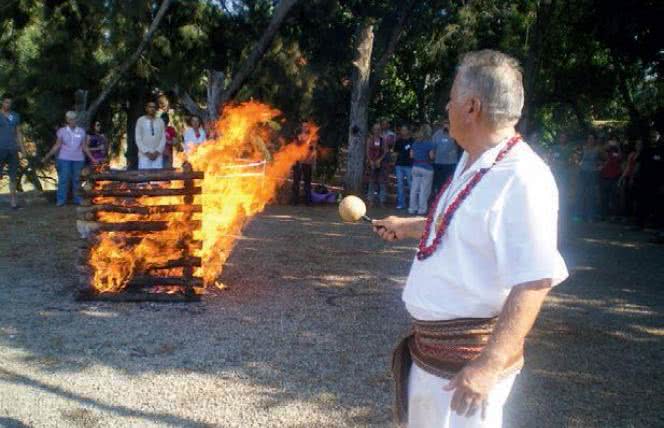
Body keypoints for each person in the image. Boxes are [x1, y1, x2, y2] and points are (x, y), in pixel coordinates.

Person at [373, 50, 568, 428]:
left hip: (466, 371)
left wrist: (489, 365)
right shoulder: (474, 160)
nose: (447, 107)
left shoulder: (523, 177)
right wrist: (408, 225)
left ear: (472, 107)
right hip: (430, 359)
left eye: (451, 99)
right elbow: (457, 223)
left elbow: (535, 279)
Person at [43, 111, 95, 206]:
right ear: (67, 120)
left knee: (77, 180)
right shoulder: (62, 131)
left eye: (74, 119)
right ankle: (61, 201)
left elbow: (84, 147)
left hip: (78, 159)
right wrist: (47, 156)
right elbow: (57, 145)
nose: (73, 121)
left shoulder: (81, 131)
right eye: (70, 119)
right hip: (64, 158)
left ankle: (78, 199)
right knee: (64, 179)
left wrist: (92, 158)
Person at [0, 94, 26, 209]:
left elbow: (19, 133)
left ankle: (13, 202)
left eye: (9, 103)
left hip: (13, 149)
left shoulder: (15, 116)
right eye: (6, 102)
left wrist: (23, 149)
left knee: (13, 176)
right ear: (2, 102)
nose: (7, 105)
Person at [548, 132, 575, 225]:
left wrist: (567, 163)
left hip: (564, 173)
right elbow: (550, 158)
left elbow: (572, 160)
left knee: (563, 193)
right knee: (553, 191)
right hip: (555, 172)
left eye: (564, 137)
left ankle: (563, 213)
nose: (562, 139)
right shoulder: (554, 147)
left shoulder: (569, 149)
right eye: (561, 137)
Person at [574, 132, 601, 222]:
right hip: (583, 172)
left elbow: (605, 159)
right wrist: (578, 165)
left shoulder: (598, 149)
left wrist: (599, 167)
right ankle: (579, 215)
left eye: (592, 139)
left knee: (591, 195)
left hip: (593, 173)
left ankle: (590, 216)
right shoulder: (583, 148)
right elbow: (576, 157)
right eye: (589, 138)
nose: (590, 140)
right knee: (581, 194)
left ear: (594, 140)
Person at [409, 124, 435, 215]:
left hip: (415, 166)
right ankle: (422, 209)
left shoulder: (415, 143)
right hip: (426, 167)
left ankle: (412, 208)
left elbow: (411, 156)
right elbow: (431, 156)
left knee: (414, 189)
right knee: (424, 190)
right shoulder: (429, 143)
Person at [135, 100, 166, 169]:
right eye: (150, 107)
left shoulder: (160, 121)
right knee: (144, 178)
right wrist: (147, 152)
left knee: (157, 178)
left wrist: (157, 152)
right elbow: (138, 139)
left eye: (154, 107)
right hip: (144, 156)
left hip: (158, 156)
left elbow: (163, 138)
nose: (152, 109)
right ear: (146, 108)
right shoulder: (140, 121)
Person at [291, 123, 317, 205]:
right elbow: (294, 148)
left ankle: (308, 200)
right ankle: (295, 200)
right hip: (298, 162)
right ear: (301, 127)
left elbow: (313, 150)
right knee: (296, 182)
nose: (305, 127)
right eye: (304, 126)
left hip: (307, 163)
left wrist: (311, 160)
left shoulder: (312, 138)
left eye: (306, 126)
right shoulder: (297, 137)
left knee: (307, 182)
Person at [431, 120, 458, 196]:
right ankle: (438, 200)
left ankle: (449, 198)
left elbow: (460, 145)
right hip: (439, 162)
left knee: (450, 182)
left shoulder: (455, 133)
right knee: (439, 183)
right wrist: (432, 156)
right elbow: (433, 147)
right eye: (445, 123)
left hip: (451, 162)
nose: (446, 125)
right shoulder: (437, 134)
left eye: (448, 123)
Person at [599, 137, 623, 220]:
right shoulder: (605, 151)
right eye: (611, 142)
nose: (612, 143)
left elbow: (620, 158)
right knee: (604, 198)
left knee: (614, 198)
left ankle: (614, 215)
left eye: (613, 142)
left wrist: (618, 146)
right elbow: (602, 154)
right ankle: (604, 215)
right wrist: (607, 146)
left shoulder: (616, 152)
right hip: (605, 177)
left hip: (614, 178)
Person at [366, 123, 388, 207]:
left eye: (379, 129)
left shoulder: (383, 140)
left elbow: (385, 151)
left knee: (382, 183)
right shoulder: (370, 139)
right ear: (373, 130)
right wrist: (370, 161)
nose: (377, 131)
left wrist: (379, 160)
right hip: (371, 162)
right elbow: (367, 151)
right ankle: (370, 200)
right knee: (371, 182)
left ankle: (382, 201)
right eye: (375, 129)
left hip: (381, 163)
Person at [393, 125, 414, 209]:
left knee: (411, 184)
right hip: (399, 165)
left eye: (405, 130)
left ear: (408, 131)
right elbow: (395, 152)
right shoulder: (398, 141)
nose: (403, 131)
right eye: (402, 130)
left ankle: (412, 204)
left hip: (409, 165)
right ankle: (401, 203)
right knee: (400, 184)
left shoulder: (412, 141)